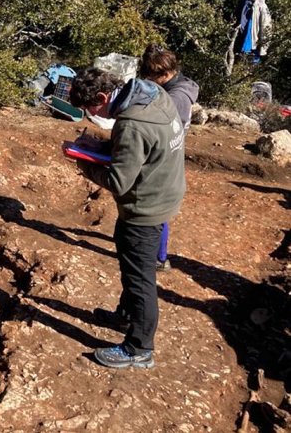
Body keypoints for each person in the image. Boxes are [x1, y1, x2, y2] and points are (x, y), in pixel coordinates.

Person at [68, 68, 185, 369]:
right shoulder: (152, 93)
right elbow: (146, 148)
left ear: (103, 97)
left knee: (140, 278)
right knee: (133, 263)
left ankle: (139, 348)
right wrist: (106, 147)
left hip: (144, 209)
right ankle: (126, 315)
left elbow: (119, 181)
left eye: (89, 108)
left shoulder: (130, 124)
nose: (89, 114)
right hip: (165, 190)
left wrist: (82, 161)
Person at [139, 44, 200, 272]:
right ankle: (157, 253)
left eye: (151, 77)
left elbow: (168, 127)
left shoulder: (177, 98)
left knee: (158, 207)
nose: (148, 81)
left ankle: (160, 257)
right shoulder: (176, 87)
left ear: (165, 74)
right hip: (169, 149)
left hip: (166, 153)